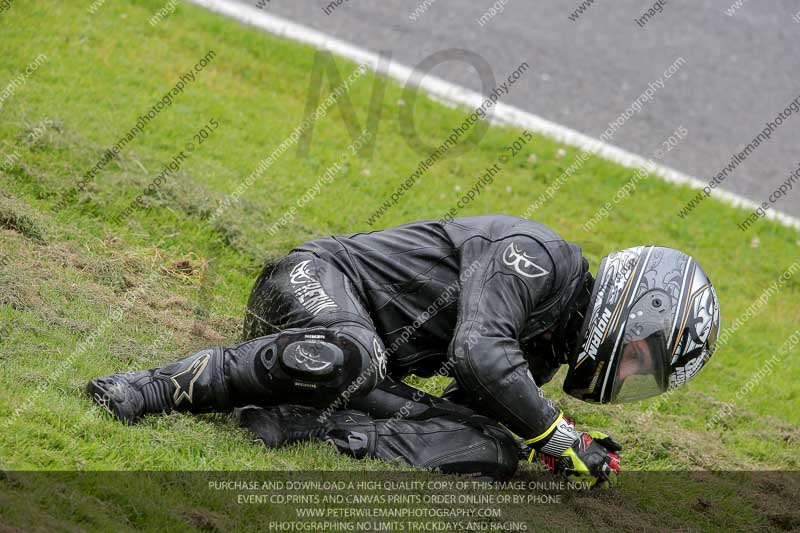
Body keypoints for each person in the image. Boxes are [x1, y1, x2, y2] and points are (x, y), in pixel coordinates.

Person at [88, 215, 720, 485]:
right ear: (636, 307)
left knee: (491, 449)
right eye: (642, 356)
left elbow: (472, 399)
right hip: (308, 284)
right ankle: (149, 387)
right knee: (353, 353)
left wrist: (533, 440)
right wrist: (555, 433)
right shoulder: (539, 259)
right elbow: (479, 353)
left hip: (359, 361)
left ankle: (291, 422)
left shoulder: (547, 348)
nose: (631, 371)